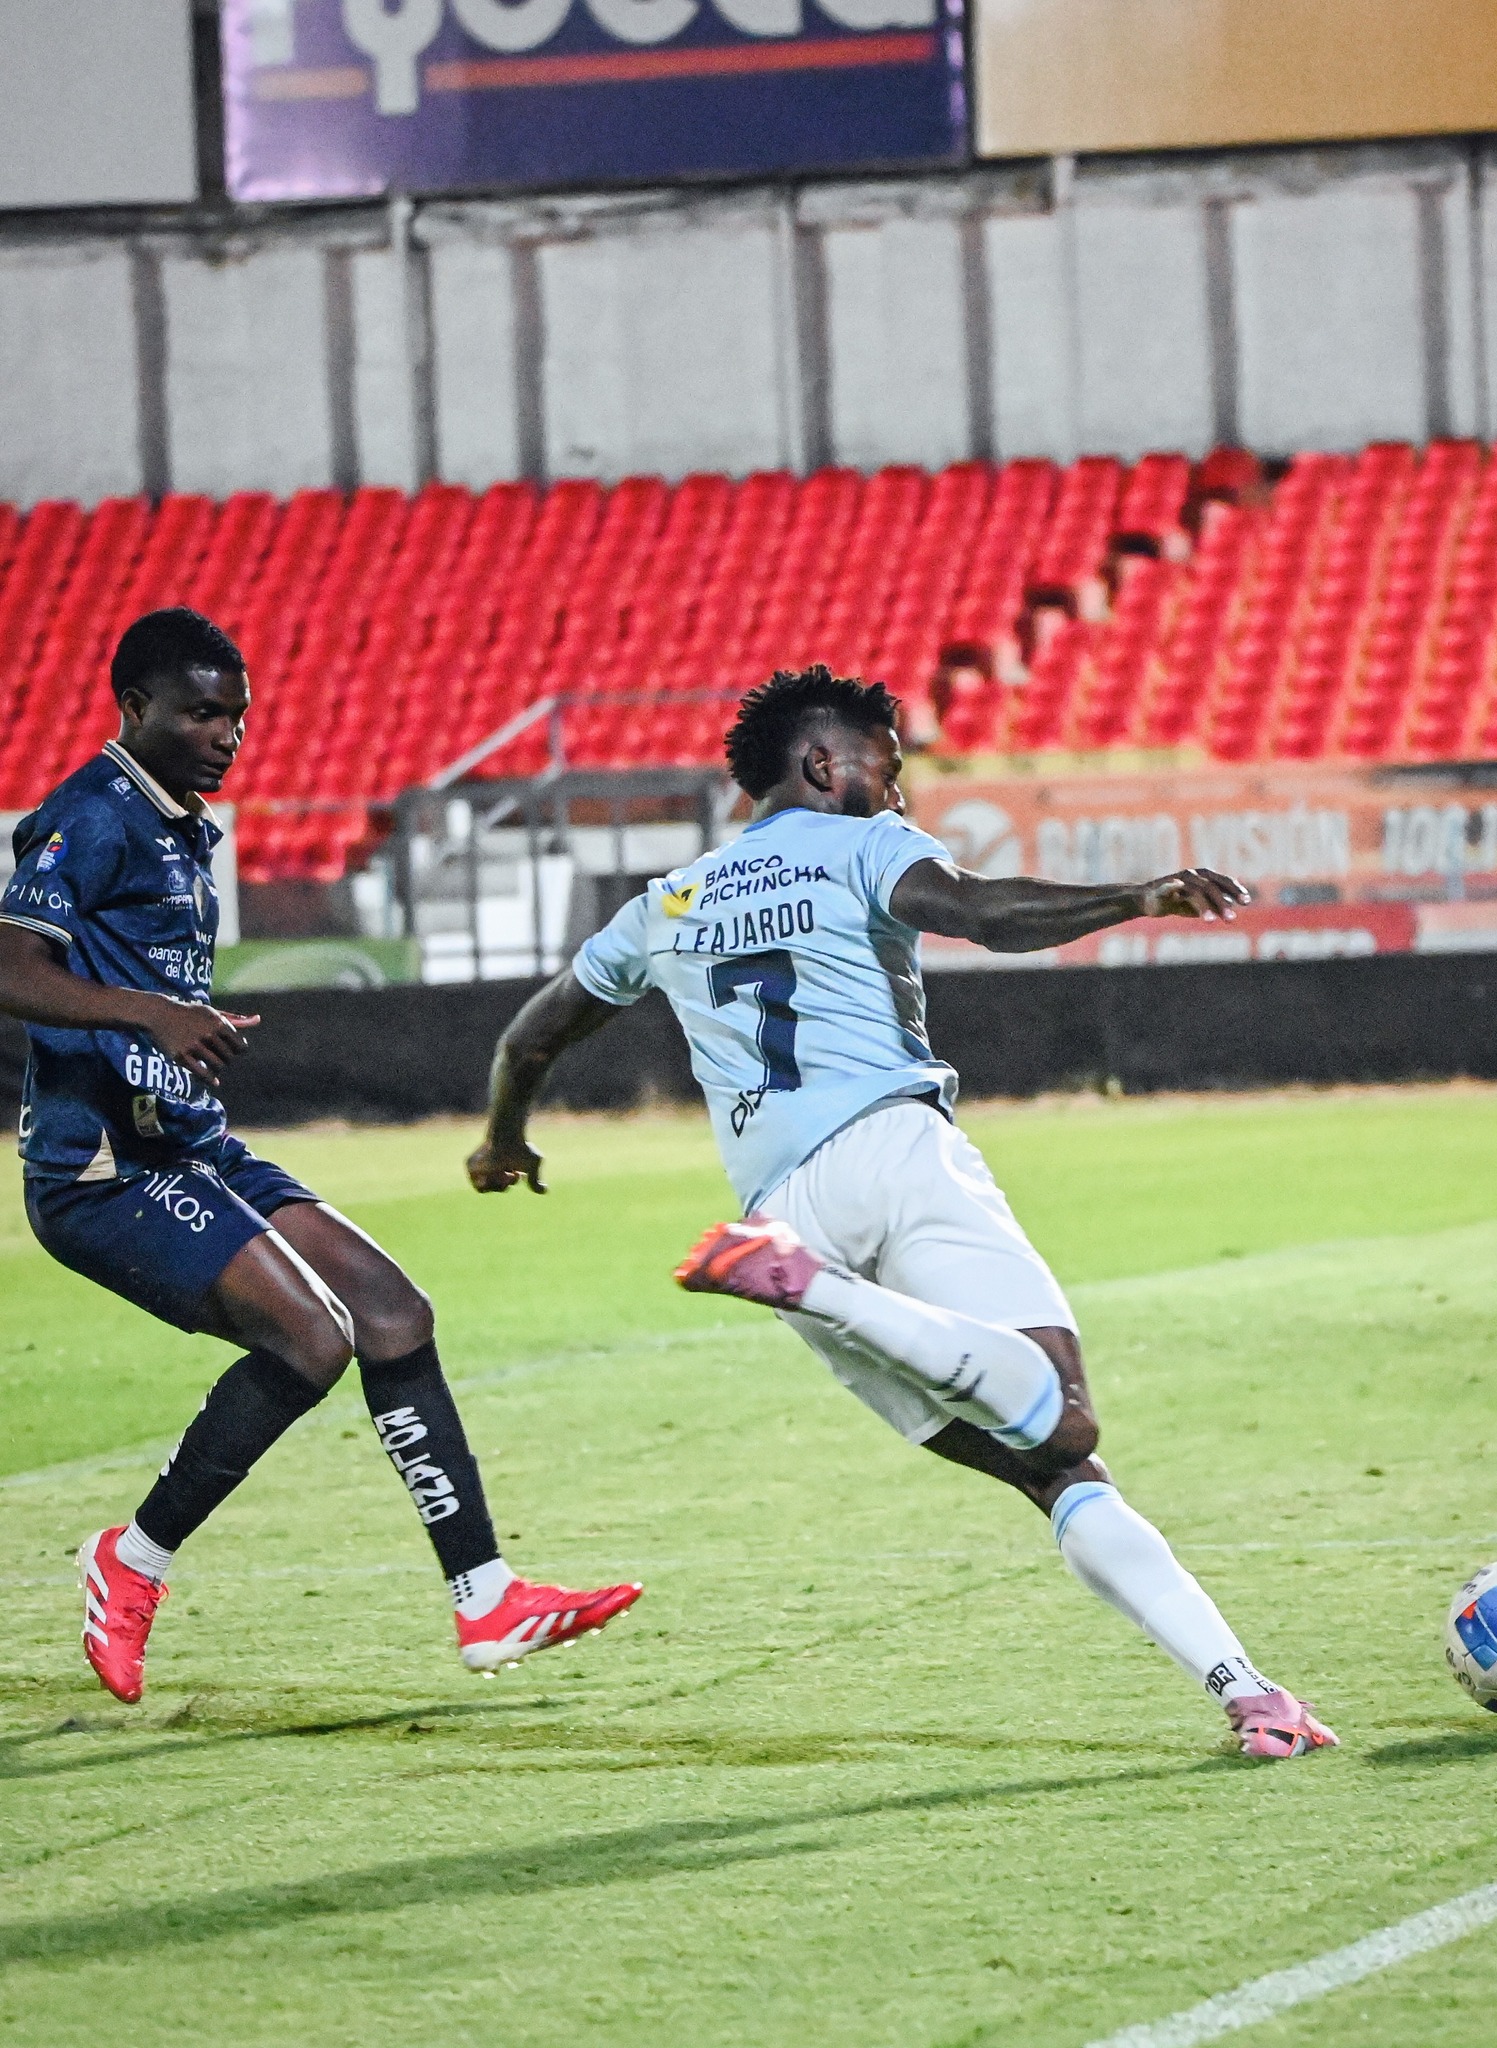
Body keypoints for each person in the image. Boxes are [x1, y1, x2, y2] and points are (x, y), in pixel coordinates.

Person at [468, 664, 1336, 1760]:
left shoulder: (668, 901)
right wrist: (1133, 896)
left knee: (1050, 1467)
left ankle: (1248, 1691)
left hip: (781, 1203)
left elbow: (526, 1039)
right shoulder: (864, 845)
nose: (899, 788)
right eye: (887, 762)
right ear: (825, 763)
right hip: (892, 1150)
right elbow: (976, 911)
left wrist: (503, 1137)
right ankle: (808, 1278)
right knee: (1062, 1415)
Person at [0, 607, 640, 1705]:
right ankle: (131, 1559)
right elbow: (8, 964)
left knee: (394, 1312)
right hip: (101, 1168)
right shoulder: (91, 813)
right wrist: (150, 1015)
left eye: (238, 714)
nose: (226, 732)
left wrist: (169, 1027)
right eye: (202, 710)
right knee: (308, 1336)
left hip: (190, 1146)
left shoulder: (180, 825)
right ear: (134, 708)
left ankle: (485, 1596)